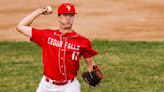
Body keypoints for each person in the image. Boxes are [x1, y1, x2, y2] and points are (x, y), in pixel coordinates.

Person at [16, 3, 98, 92]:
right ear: (58, 18)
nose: (68, 18)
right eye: (65, 15)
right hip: (47, 86)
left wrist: (93, 70)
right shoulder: (46, 36)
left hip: (70, 86)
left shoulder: (83, 41)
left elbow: (90, 63)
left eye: (71, 15)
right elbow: (20, 27)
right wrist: (39, 11)